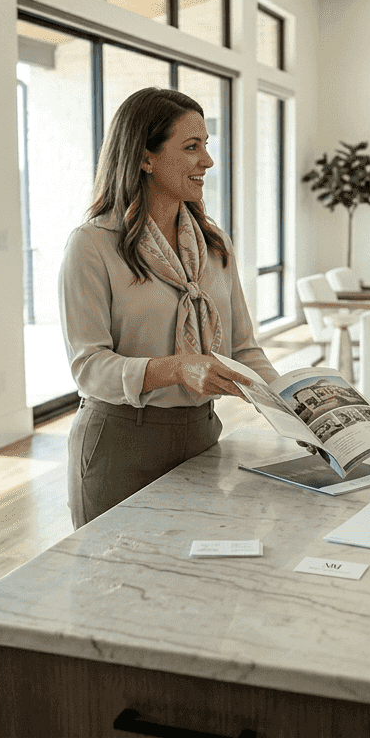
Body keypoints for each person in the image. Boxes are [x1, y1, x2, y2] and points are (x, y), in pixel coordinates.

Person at [61, 87, 278, 528]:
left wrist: (296, 409)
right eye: (192, 147)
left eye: (206, 145)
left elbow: (243, 349)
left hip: (202, 437)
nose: (208, 161)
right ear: (146, 158)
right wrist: (177, 369)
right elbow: (89, 367)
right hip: (119, 446)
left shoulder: (215, 245)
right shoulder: (92, 246)